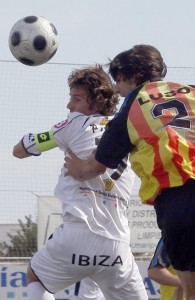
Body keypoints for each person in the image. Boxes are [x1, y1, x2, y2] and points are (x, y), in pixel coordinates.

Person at [64, 45, 195, 300]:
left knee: (191, 290)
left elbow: (99, 163)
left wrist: (78, 168)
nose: (116, 89)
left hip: (179, 199)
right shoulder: (191, 91)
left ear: (131, 76)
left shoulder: (133, 105)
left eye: (118, 80)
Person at [13, 65, 148, 300]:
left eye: (75, 99)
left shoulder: (73, 123)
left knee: (35, 276)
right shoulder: (127, 128)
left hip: (77, 235)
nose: (69, 106)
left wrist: (41, 140)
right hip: (117, 248)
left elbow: (19, 151)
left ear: (95, 101)